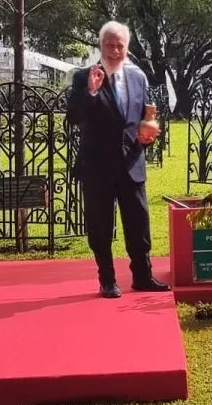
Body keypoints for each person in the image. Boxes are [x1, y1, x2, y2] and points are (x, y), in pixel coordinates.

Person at [66, 21, 170, 298]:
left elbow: (144, 117)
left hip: (131, 164)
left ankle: (143, 276)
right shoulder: (84, 76)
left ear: (127, 48)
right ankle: (107, 279)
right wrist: (90, 92)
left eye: (120, 46)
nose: (114, 51)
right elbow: (73, 117)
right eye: (109, 45)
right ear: (101, 47)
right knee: (100, 225)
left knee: (139, 222)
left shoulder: (138, 77)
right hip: (97, 166)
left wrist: (148, 133)